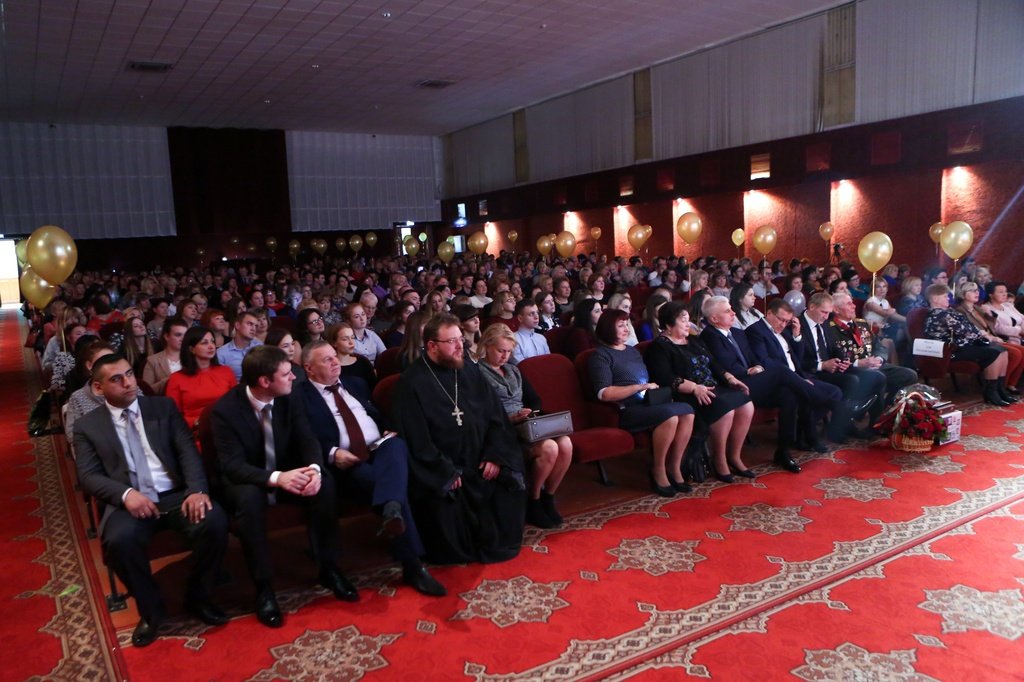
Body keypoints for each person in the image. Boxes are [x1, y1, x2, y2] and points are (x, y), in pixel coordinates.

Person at [74, 355, 229, 647]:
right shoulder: (87, 426)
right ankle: (152, 609)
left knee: (215, 522)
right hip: (129, 500)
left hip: (175, 493)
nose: (128, 382)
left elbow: (187, 451)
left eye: (129, 374)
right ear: (98, 387)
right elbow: (89, 476)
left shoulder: (162, 408)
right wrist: (126, 495)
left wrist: (197, 490)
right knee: (119, 542)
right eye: (116, 379)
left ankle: (199, 595)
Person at [211, 346, 358, 629]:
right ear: (265, 381)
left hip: (286, 468)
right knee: (249, 501)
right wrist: (278, 478)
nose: (294, 377)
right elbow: (232, 466)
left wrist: (314, 469)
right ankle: (264, 587)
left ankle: (329, 567)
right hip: (248, 478)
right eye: (287, 373)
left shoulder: (290, 398)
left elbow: (307, 438)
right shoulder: (225, 411)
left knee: (325, 484)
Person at [297, 341, 446, 596]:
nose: (335, 362)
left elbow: (375, 416)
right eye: (327, 360)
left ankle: (392, 509)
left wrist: (389, 429)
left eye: (335, 357)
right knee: (390, 485)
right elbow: (300, 437)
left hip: (379, 450)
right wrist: (332, 453)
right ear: (309, 368)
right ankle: (412, 563)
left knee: (396, 445)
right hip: (346, 462)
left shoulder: (355, 384)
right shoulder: (299, 396)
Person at [394, 313, 526, 564]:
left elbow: (496, 418)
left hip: (482, 461)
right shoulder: (411, 383)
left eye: (460, 340)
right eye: (451, 342)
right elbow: (416, 439)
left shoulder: (469, 371)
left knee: (509, 482)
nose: (460, 347)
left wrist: (495, 456)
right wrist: (445, 471)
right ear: (432, 346)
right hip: (447, 468)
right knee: (445, 510)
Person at [644, 303, 754, 481]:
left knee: (746, 404)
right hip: (685, 393)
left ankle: (734, 456)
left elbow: (713, 363)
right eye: (683, 320)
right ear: (669, 325)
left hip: (710, 386)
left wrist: (730, 378)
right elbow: (665, 377)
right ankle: (719, 460)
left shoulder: (694, 340)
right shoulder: (659, 347)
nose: (688, 324)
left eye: (688, 320)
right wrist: (694, 388)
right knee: (725, 410)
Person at [589, 309, 694, 495]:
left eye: (627, 325)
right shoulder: (600, 356)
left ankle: (674, 466)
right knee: (670, 416)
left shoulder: (632, 351)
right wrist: (638, 387)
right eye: (620, 325)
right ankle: (658, 469)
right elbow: (604, 393)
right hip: (625, 409)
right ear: (607, 329)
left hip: (648, 402)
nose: (626, 329)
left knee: (687, 410)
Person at [477, 324, 571, 527]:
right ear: (487, 346)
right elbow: (482, 412)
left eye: (509, 351)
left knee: (566, 444)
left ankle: (548, 497)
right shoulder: (477, 373)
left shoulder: (513, 370)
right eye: (500, 350)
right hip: (502, 429)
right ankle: (533, 499)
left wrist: (530, 413)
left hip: (526, 423)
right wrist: (511, 418)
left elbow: (535, 399)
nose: (505, 356)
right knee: (550, 447)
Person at [699, 296, 803, 473]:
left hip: (753, 383)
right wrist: (749, 372)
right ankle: (815, 393)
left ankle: (783, 452)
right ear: (714, 318)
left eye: (732, 309)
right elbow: (727, 365)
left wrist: (758, 367)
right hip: (733, 385)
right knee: (781, 371)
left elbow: (755, 359)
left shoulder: (738, 333)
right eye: (727, 311)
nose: (733, 313)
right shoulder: (709, 336)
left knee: (788, 394)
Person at [745, 299, 847, 448]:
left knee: (834, 391)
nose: (783, 324)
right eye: (780, 319)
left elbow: (798, 359)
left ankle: (803, 429)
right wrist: (794, 378)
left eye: (787, 321)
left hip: (797, 376)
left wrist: (796, 335)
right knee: (806, 395)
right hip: (778, 381)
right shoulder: (756, 330)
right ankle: (819, 429)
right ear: (769, 313)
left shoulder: (784, 331)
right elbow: (764, 361)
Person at [799, 292, 883, 439]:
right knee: (851, 380)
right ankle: (840, 426)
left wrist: (843, 360)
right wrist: (822, 365)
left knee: (876, 377)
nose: (826, 317)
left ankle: (855, 416)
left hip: (831, 366)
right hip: (812, 370)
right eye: (823, 312)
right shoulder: (798, 325)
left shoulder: (823, 321)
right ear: (811, 307)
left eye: (828, 313)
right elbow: (798, 359)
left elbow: (834, 347)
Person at [922, 283, 1012, 405]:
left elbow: (969, 326)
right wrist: (983, 335)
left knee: (1002, 350)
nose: (948, 298)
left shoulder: (948, 311)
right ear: (935, 299)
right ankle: (990, 393)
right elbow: (964, 330)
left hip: (963, 345)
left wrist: (980, 334)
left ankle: (1000, 389)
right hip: (950, 350)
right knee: (994, 352)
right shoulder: (938, 314)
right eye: (945, 296)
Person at [829, 292, 917, 410]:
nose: (854, 306)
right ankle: (876, 415)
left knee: (910, 375)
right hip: (852, 369)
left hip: (875, 365)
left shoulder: (861, 323)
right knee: (877, 377)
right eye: (849, 304)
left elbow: (879, 346)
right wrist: (859, 363)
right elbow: (833, 356)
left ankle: (888, 407)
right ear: (836, 309)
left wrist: (878, 359)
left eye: (853, 303)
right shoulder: (829, 329)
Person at [165, 327, 238, 431]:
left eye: (212, 341)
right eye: (204, 343)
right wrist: (198, 422)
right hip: (195, 429)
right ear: (192, 349)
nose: (211, 346)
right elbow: (173, 416)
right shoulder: (177, 378)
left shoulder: (226, 371)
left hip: (226, 426)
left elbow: (236, 404)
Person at [960, 281, 1024, 394]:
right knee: (1016, 353)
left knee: (1021, 351)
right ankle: (1001, 387)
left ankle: (1009, 385)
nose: (977, 293)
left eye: (977, 290)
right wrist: (1019, 331)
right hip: (984, 341)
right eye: (972, 291)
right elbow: (995, 328)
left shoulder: (977, 308)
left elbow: (1021, 318)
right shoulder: (962, 310)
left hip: (994, 338)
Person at [63, 342, 114, 444]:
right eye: (103, 361)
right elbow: (72, 435)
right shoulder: (78, 397)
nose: (110, 366)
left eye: (113, 360)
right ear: (90, 365)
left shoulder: (128, 387)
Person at [142, 317, 188, 395]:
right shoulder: (152, 361)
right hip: (164, 401)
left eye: (185, 335)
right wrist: (170, 379)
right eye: (178, 335)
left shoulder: (193, 358)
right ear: (166, 336)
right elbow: (146, 391)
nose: (183, 339)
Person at [326, 322, 377, 389]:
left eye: (352, 337)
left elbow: (374, 388)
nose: (351, 342)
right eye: (345, 339)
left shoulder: (362, 361)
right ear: (334, 343)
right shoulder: (331, 367)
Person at [215, 311, 262, 381]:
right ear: (237, 325)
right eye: (249, 324)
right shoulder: (221, 353)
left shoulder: (260, 346)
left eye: (256, 326)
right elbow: (220, 381)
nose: (253, 329)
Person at [510, 299, 551, 364]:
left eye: (537, 312)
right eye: (531, 314)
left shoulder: (542, 338)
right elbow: (522, 366)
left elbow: (549, 362)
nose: (536, 317)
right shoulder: (513, 340)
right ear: (520, 318)